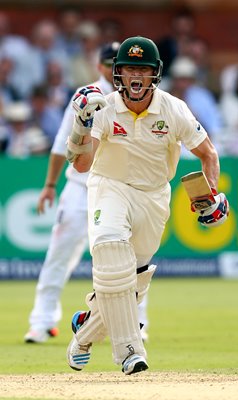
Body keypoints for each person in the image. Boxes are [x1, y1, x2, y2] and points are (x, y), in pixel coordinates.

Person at [65, 36, 229, 375]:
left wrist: (211, 193)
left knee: (131, 280)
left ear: (154, 73)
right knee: (111, 255)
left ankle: (84, 333)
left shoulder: (173, 108)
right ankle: (129, 352)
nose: (135, 77)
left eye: (142, 69)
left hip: (154, 196)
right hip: (110, 187)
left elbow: (207, 154)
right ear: (118, 74)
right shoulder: (104, 108)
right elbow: (81, 165)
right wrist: (80, 126)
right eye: (128, 69)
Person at [24, 42, 149, 344]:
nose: (111, 69)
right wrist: (50, 185)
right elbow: (61, 143)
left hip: (120, 189)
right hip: (81, 188)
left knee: (132, 260)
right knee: (60, 254)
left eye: (114, 64)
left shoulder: (139, 95)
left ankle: (137, 323)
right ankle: (41, 322)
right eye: (107, 64)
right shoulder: (86, 94)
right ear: (100, 66)